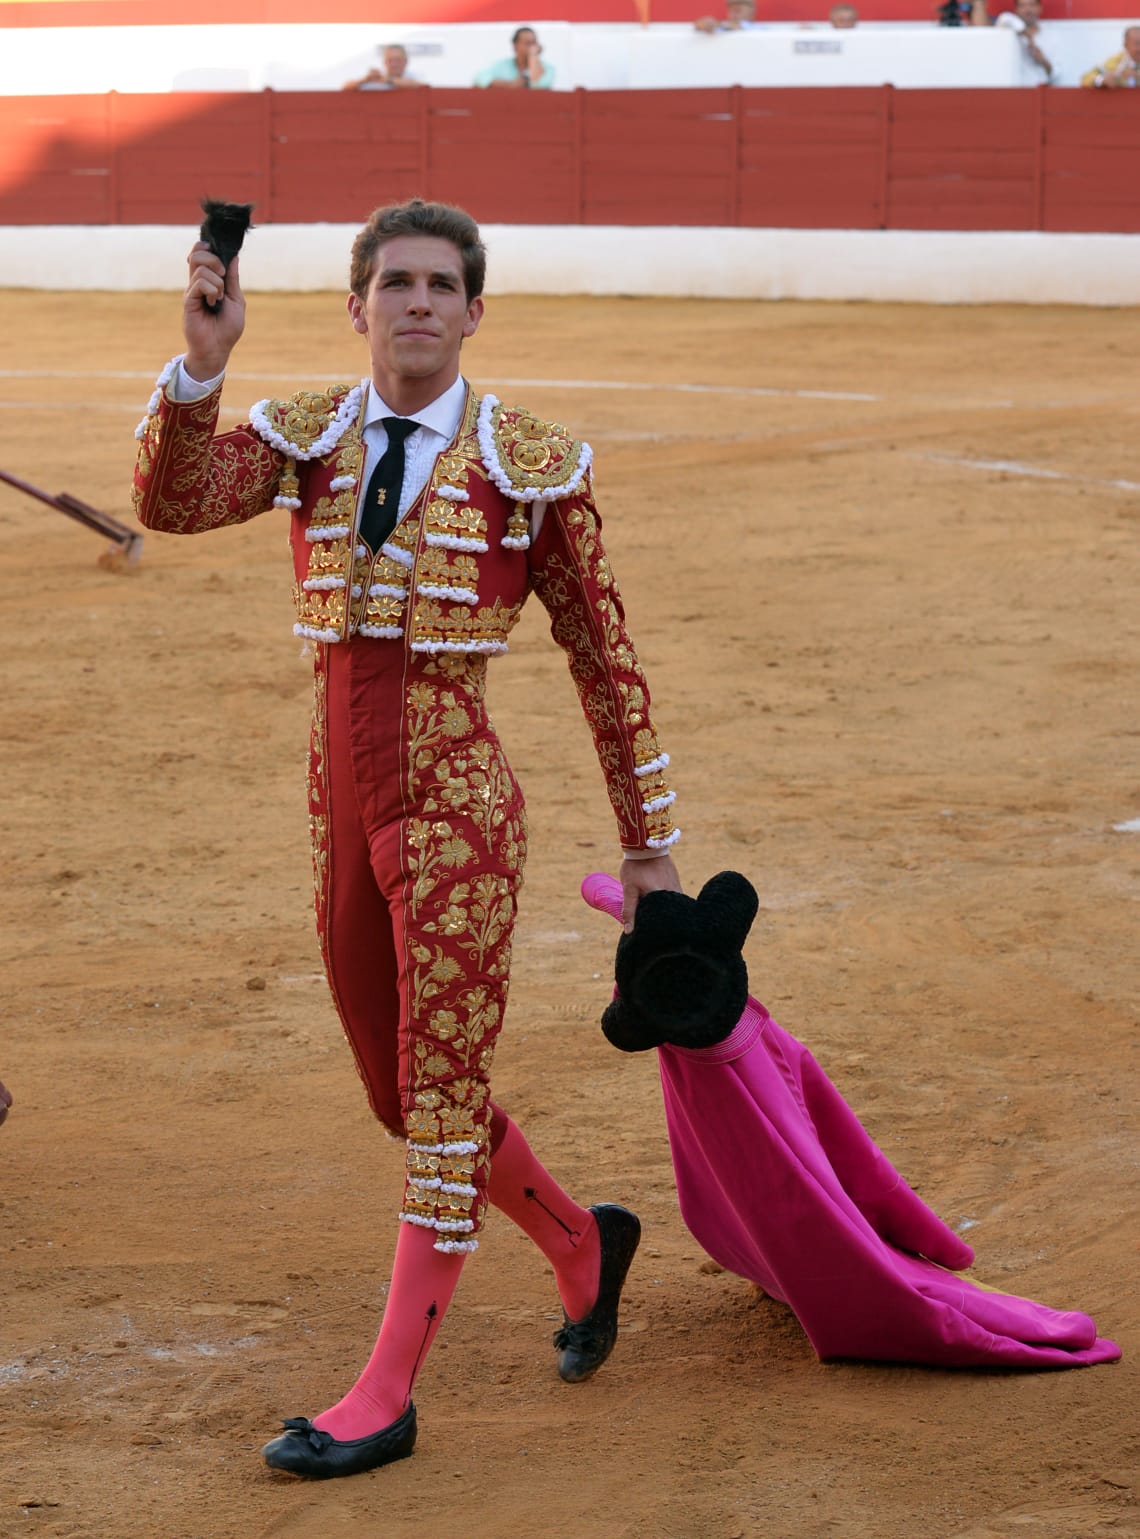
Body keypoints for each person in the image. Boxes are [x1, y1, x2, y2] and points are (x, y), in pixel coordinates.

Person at [131, 197, 681, 1481]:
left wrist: (648, 841)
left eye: (441, 284)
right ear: (358, 306)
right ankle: (581, 1243)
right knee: (399, 1093)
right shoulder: (312, 435)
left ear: (474, 311)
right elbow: (171, 501)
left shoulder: (530, 464)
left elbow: (603, 656)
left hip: (456, 811)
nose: (418, 302)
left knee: (438, 1101)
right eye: (397, 283)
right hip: (339, 804)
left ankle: (385, 1393)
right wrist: (205, 365)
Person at [473, 26, 554, 89]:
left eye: (534, 43)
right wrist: (510, 84)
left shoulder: (547, 68)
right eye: (528, 43)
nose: (532, 47)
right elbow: (479, 79)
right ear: (515, 46)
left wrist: (533, 55)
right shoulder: (502, 65)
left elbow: (539, 85)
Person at [995, 0, 1053, 81]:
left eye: (1032, 5)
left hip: (1041, 86)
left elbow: (1057, 74)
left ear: (1040, 8)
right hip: (1013, 86)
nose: (1028, 10)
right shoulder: (1009, 30)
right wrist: (1027, 35)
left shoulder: (1051, 35)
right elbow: (1004, 17)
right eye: (1023, 6)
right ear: (1016, 9)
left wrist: (1044, 62)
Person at [342, 43, 424, 92]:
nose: (394, 64)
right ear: (384, 62)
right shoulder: (378, 79)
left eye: (398, 60)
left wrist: (389, 80)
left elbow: (422, 87)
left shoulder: (415, 76)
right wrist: (366, 79)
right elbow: (345, 87)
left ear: (405, 61)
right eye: (390, 60)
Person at [694, 0, 759, 31]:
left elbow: (741, 27)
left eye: (738, 10)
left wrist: (717, 25)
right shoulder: (722, 27)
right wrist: (702, 24)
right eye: (730, 11)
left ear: (751, 13)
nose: (733, 14)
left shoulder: (757, 28)